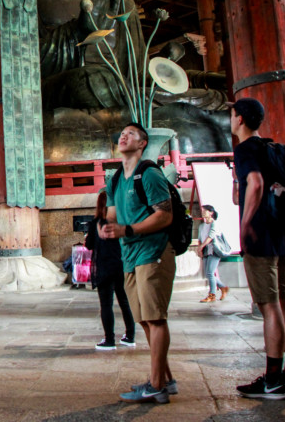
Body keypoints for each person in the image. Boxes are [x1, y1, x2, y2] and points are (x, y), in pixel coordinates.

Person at [230, 98, 285, 400]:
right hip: (284, 234)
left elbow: (256, 184)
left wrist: (246, 225)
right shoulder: (272, 148)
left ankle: (272, 381)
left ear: (241, 119)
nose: (231, 121)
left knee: (269, 306)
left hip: (261, 237)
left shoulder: (245, 149)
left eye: (232, 115)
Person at [100, 122, 176, 404]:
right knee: (144, 319)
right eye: (121, 133)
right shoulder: (117, 178)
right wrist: (106, 226)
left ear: (142, 143)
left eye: (130, 133)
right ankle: (165, 380)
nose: (123, 135)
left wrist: (127, 230)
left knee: (155, 318)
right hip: (129, 256)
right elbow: (112, 213)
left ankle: (156, 385)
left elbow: (164, 216)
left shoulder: (150, 173)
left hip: (152, 251)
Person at [86, 191, 135, 351]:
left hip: (104, 267)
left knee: (106, 304)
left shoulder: (96, 223)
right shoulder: (121, 222)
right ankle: (129, 336)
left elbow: (89, 245)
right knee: (125, 302)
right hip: (121, 265)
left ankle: (109, 340)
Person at [195, 205, 230, 303]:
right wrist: (200, 249)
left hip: (214, 251)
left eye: (205, 211)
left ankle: (212, 295)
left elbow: (211, 236)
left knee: (210, 273)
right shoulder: (202, 226)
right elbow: (200, 239)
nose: (203, 212)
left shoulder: (214, 224)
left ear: (211, 212)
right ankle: (223, 287)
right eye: (202, 210)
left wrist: (201, 246)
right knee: (208, 273)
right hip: (206, 251)